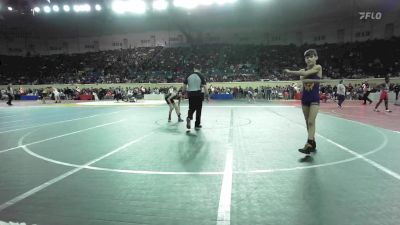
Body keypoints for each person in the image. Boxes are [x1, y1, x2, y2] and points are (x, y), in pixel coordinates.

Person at [284, 49, 322, 154]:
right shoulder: (303, 70)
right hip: (305, 99)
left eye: (311, 56)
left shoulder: (318, 67)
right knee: (307, 122)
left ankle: (308, 143)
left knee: (311, 121)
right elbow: (302, 75)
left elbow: (305, 73)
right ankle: (313, 142)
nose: (309, 59)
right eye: (307, 57)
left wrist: (290, 72)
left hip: (314, 99)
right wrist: (302, 73)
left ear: (316, 57)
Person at [183, 64, 209, 130]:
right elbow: (205, 87)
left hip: (190, 94)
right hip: (198, 94)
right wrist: (207, 95)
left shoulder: (188, 75)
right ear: (200, 69)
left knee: (191, 107)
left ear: (194, 68)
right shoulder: (201, 76)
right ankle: (197, 124)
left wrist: (184, 93)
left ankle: (189, 117)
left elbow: (184, 86)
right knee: (198, 109)